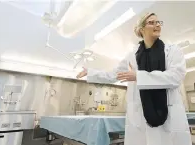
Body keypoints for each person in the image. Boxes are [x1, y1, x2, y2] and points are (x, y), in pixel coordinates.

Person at [76, 12, 192, 145]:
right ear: (141, 29)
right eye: (151, 22)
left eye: (158, 22)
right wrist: (91, 72)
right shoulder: (133, 55)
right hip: (140, 118)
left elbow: (176, 77)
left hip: (169, 118)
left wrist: (138, 76)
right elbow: (114, 74)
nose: (157, 25)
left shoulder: (172, 51)